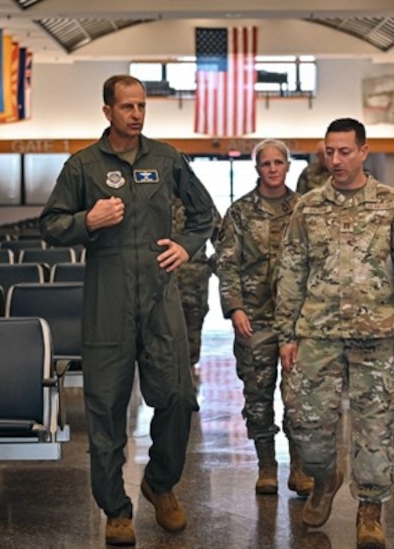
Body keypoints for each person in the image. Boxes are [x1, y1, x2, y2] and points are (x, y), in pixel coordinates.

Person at [38, 74, 215, 547]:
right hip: (108, 299)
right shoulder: (83, 166)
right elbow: (50, 225)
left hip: (160, 296)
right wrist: (86, 221)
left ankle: (160, 483)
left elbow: (205, 214)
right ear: (107, 112)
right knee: (105, 408)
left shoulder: (167, 158)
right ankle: (115, 508)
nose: (136, 114)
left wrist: (186, 246)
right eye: (127, 107)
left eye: (141, 106)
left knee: (178, 397)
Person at [274, 118, 394, 549]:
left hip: (377, 335)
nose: (336, 160)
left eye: (344, 151)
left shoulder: (391, 204)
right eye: (329, 152)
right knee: (306, 423)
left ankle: (370, 510)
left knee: (374, 427)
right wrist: (286, 334)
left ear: (363, 151)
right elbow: (291, 272)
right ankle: (325, 478)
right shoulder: (308, 207)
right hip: (316, 334)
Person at [216, 138, 315, 498]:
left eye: (278, 163)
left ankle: (300, 467)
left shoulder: (305, 208)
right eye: (265, 164)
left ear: (288, 166)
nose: (272, 169)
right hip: (254, 319)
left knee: (299, 399)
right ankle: (267, 466)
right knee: (258, 398)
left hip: (297, 322)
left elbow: (317, 263)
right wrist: (235, 307)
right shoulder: (240, 212)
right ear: (256, 169)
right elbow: (226, 263)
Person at [172, 198, 222, 386]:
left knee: (191, 331)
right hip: (156, 279)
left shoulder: (195, 196)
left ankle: (188, 380)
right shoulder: (151, 193)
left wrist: (213, 266)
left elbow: (221, 238)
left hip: (192, 281)